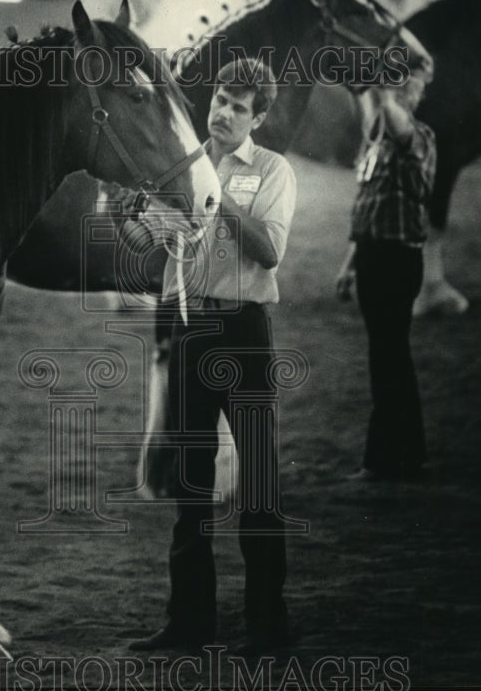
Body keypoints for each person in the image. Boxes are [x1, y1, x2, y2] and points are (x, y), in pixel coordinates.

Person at [129, 58, 298, 654]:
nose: (223, 112)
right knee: (189, 484)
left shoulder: (273, 170)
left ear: (260, 117)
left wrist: (214, 195)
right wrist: (143, 222)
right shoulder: (182, 165)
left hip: (246, 332)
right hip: (191, 327)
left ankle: (266, 628)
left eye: (239, 106)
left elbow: (270, 251)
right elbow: (150, 251)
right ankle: (189, 623)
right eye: (220, 99)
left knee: (257, 485)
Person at [336, 66, 436, 482]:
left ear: (415, 96)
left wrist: (385, 93)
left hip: (398, 259)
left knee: (390, 355)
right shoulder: (375, 142)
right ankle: (400, 455)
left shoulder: (420, 137)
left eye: (407, 86)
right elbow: (367, 210)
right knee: (387, 356)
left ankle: (391, 458)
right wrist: (349, 265)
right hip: (374, 258)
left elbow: (397, 123)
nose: (397, 92)